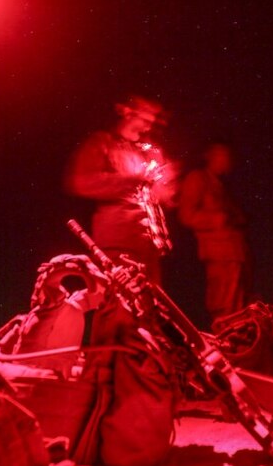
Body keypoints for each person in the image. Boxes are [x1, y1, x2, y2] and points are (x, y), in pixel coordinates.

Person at [64, 96, 177, 283]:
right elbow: (80, 181)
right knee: (122, 307)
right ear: (126, 113)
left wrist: (167, 186)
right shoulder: (102, 143)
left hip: (149, 247)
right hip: (119, 245)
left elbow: (160, 197)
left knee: (151, 308)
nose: (149, 126)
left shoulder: (145, 151)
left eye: (153, 121)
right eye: (145, 119)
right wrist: (132, 180)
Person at [177, 142, 251, 322]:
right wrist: (217, 219)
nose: (227, 161)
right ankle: (224, 335)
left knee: (236, 300)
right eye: (222, 156)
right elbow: (186, 215)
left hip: (233, 251)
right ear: (210, 157)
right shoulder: (197, 178)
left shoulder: (220, 186)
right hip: (217, 250)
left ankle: (236, 337)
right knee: (222, 301)